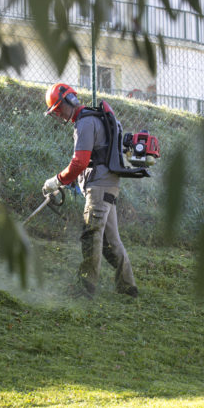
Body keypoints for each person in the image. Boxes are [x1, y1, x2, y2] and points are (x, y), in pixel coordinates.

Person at [43, 83, 138, 300]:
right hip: (108, 185)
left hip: (99, 187)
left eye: (58, 110)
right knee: (110, 242)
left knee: (91, 235)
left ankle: (84, 289)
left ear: (68, 103)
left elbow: (80, 161)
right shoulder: (93, 118)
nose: (58, 115)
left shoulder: (85, 123)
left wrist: (57, 181)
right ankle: (128, 287)